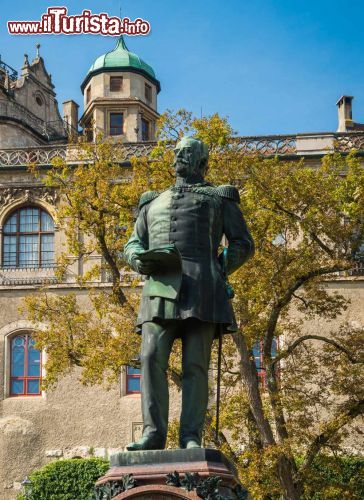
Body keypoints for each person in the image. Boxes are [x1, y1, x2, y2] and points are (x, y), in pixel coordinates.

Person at [123, 136, 254, 450]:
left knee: (195, 365)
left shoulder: (219, 199)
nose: (180, 156)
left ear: (202, 161)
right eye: (178, 152)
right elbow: (132, 243)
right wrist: (137, 257)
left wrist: (221, 269)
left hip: (203, 288)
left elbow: (243, 243)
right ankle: (152, 434)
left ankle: (191, 436)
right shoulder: (152, 201)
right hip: (158, 288)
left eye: (188, 152)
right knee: (151, 356)